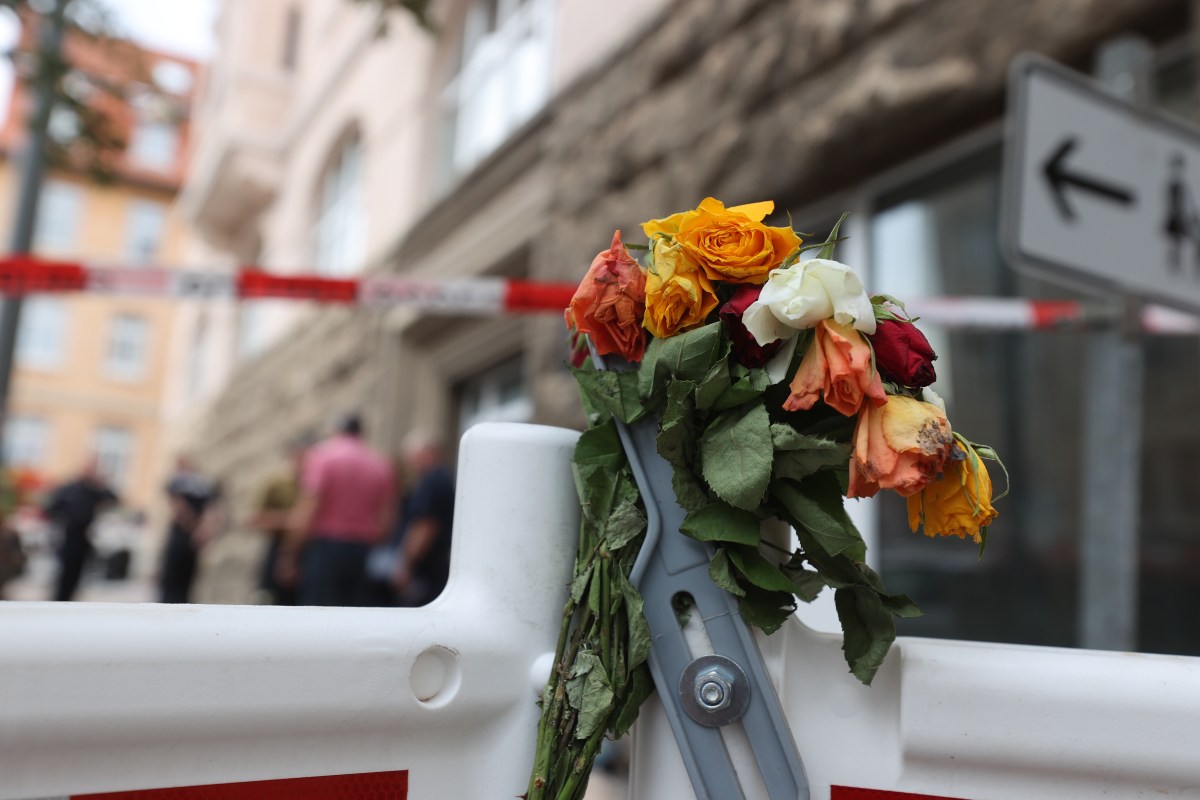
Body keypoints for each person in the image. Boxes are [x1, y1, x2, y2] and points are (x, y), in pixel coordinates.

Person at [285, 413, 394, 607]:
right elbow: (387, 519)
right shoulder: (380, 464)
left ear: (335, 430)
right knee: (355, 616)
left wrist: (291, 555)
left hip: (326, 547)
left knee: (318, 614)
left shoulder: (322, 457)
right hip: (363, 550)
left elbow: (307, 510)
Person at [392, 430, 454, 607]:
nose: (411, 463)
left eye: (412, 457)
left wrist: (405, 564)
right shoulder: (440, 478)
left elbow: (425, 526)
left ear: (428, 452)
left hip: (428, 568)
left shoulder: (433, 480)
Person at [248, 434, 312, 605]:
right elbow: (253, 519)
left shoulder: (312, 485)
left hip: (306, 550)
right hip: (277, 547)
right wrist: (290, 520)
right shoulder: (276, 483)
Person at [42, 458, 117, 601]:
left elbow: (113, 498)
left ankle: (68, 598)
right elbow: (52, 508)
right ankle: (59, 599)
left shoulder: (94, 489)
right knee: (65, 572)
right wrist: (64, 518)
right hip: (68, 534)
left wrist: (101, 483)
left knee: (77, 572)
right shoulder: (69, 489)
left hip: (85, 535)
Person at [159, 457, 219, 604]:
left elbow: (180, 508)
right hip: (193, 533)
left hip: (184, 534)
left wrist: (194, 529)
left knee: (174, 580)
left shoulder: (181, 483)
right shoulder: (203, 483)